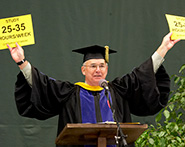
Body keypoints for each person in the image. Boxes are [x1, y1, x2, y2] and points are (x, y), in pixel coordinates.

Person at [8, 32, 180, 147]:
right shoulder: (70, 93)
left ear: (107, 69)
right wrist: (21, 61)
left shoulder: (119, 89)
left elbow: (143, 74)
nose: (98, 69)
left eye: (102, 66)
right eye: (93, 66)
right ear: (83, 70)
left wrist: (163, 48)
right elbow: (42, 84)